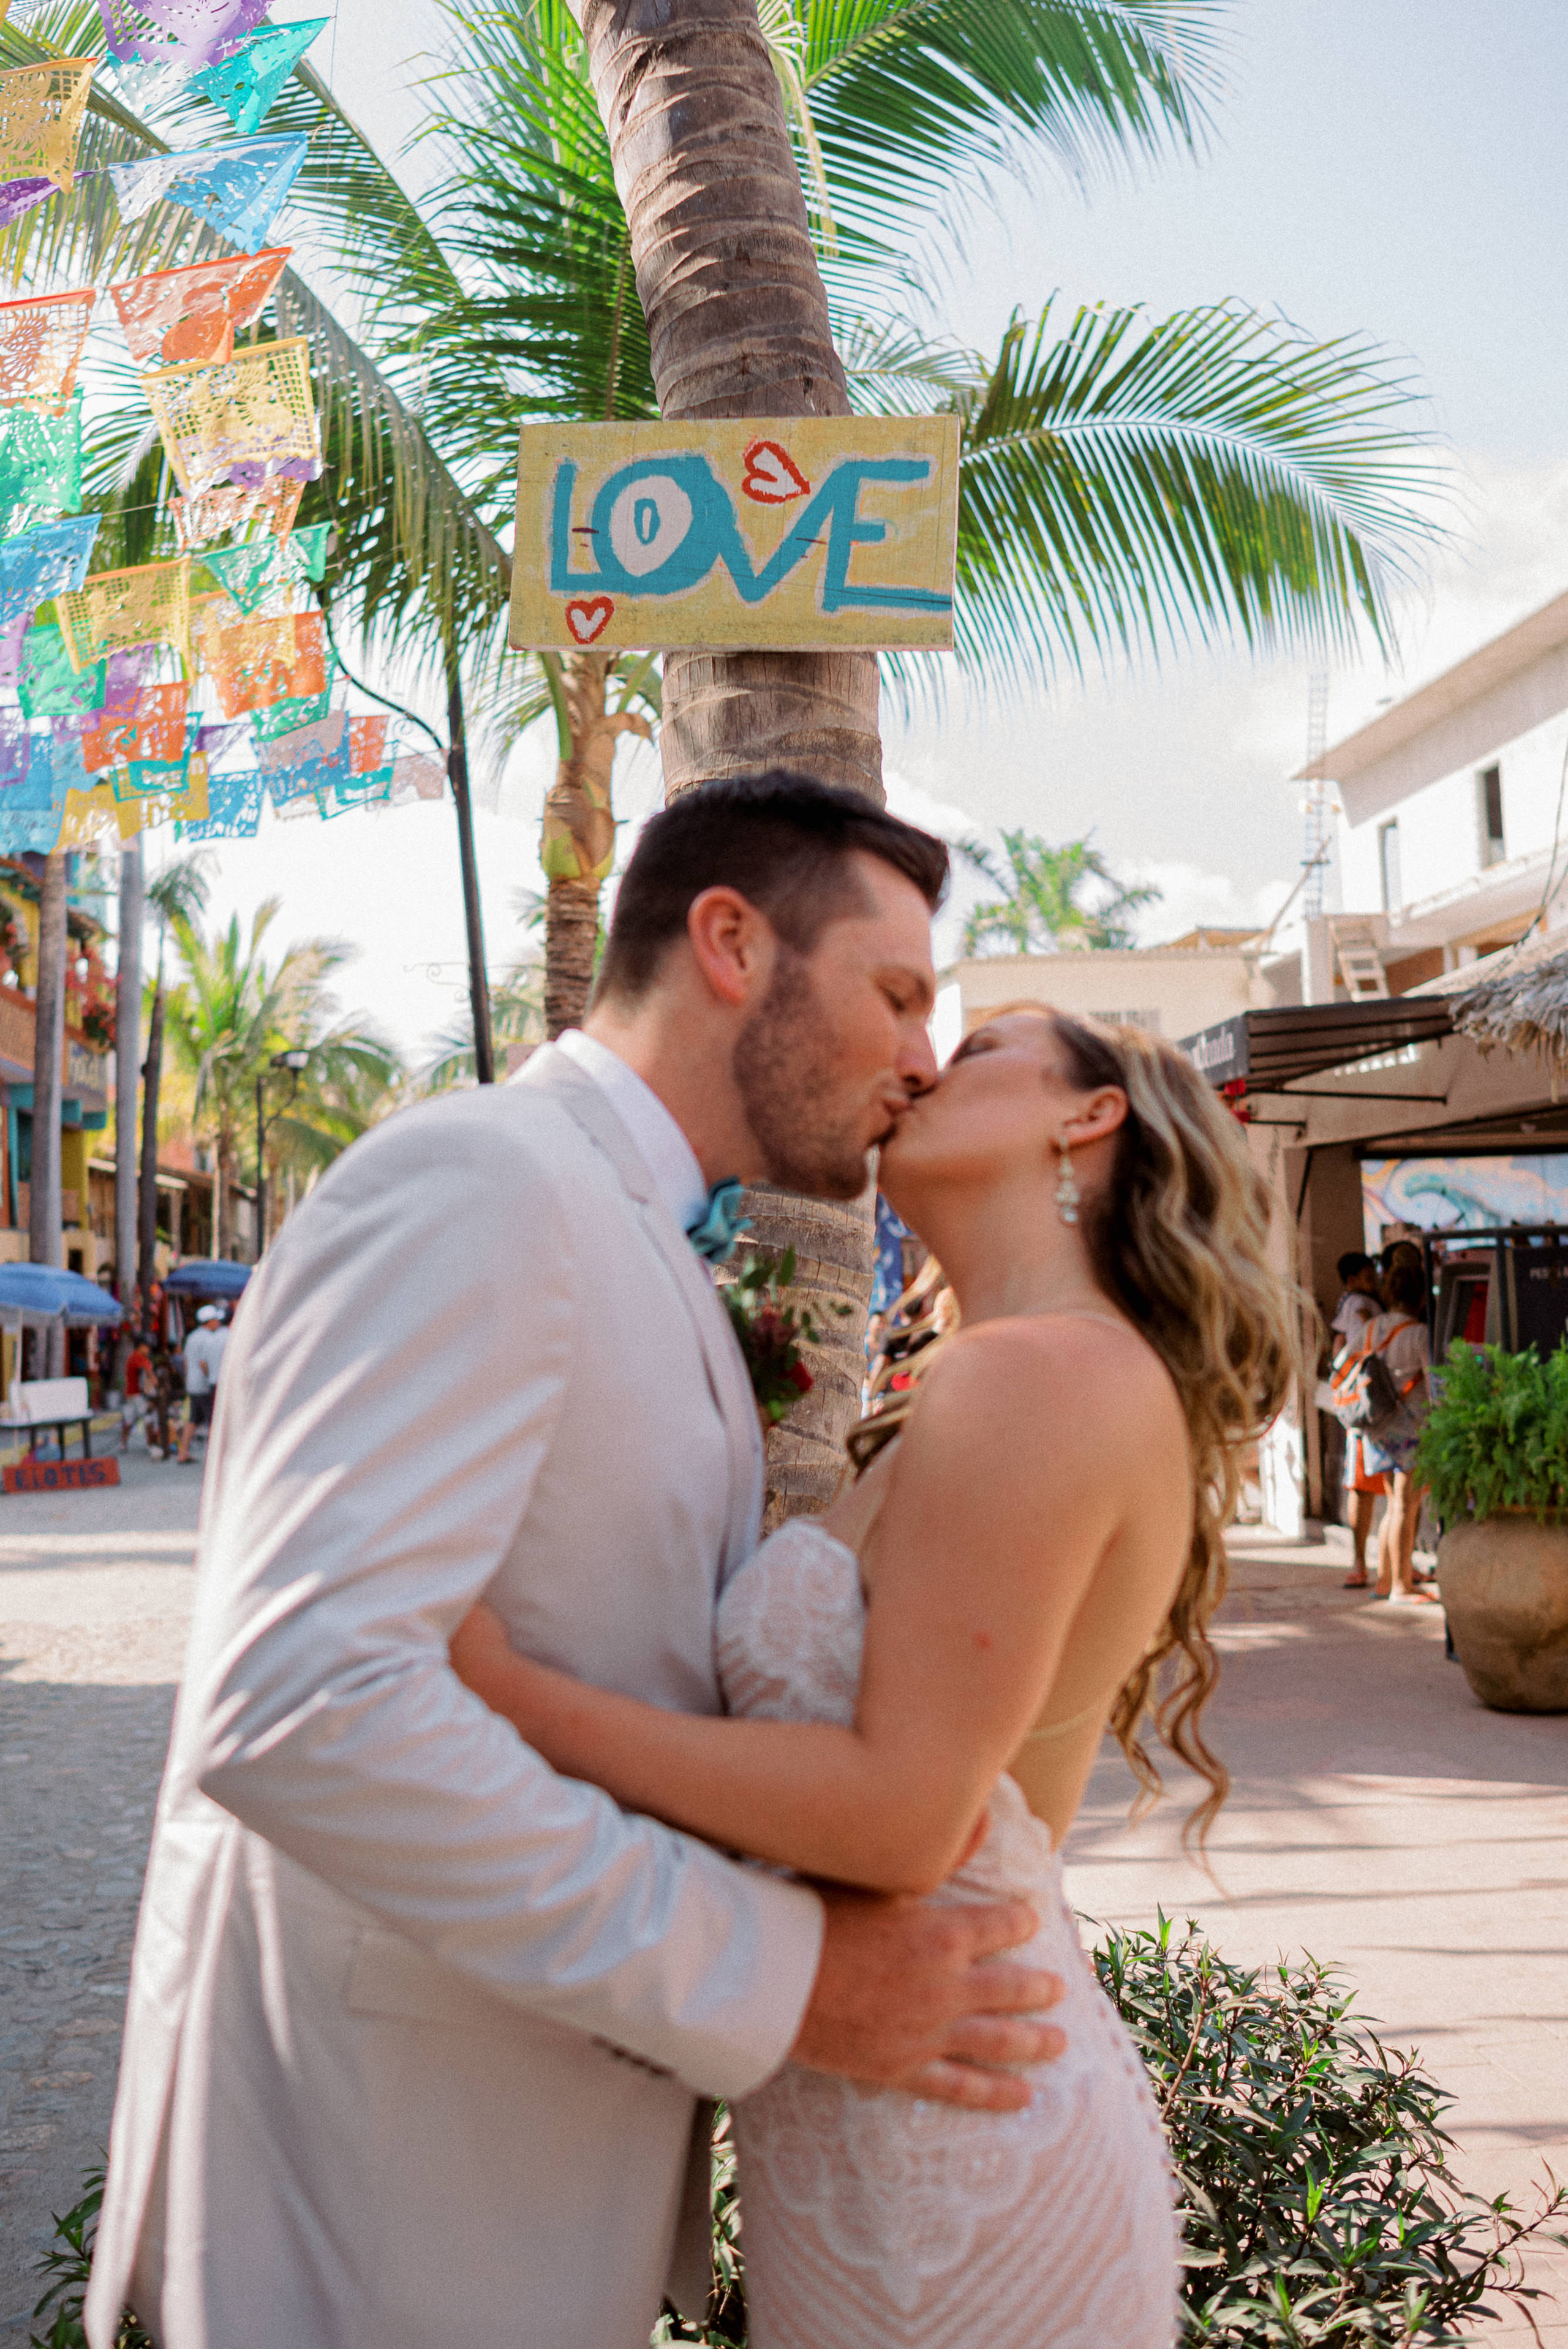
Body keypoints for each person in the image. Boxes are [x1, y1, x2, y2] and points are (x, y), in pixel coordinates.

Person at [86, 775, 1069, 2349]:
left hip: (512, 2169)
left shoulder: (633, 1225)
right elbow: (303, 1702)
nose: (920, 1056)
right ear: (731, 942)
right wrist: (786, 1977)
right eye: (894, 992)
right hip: (388, 2189)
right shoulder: (484, 1181)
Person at [451, 1001, 1298, 2349]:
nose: (914, 1067)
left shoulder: (1036, 1375)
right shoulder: (1019, 1373)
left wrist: (506, 1694)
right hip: (890, 2118)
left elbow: (907, 1816)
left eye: (968, 1054)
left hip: (948, 2158)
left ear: (1087, 1118)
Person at [1361, 1259, 1434, 1603]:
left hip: (1377, 1426)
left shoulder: (1372, 1328)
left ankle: (1385, 1579)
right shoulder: (1419, 1333)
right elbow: (1436, 1384)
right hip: (1411, 1428)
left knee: (1393, 1505)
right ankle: (1401, 1586)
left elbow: (1345, 1360)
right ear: (1421, 1297)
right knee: (1407, 1505)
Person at [1332, 1252, 1387, 1589]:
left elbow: (1341, 1344)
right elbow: (1359, 1342)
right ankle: (1363, 1562)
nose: (1374, 1280)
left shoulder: (1350, 1302)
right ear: (1352, 1279)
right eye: (1367, 1275)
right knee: (1369, 1487)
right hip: (1371, 1400)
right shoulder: (1360, 1304)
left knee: (1363, 1486)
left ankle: (1362, 1562)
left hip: (1360, 1402)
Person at [175, 1305, 225, 1465]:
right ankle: (214, 1456)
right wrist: (211, 1377)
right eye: (216, 1320)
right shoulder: (208, 1338)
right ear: (209, 1321)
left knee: (194, 1420)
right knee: (212, 1420)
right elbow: (204, 1363)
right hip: (204, 1385)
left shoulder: (191, 1337)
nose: (218, 1323)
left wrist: (187, 1379)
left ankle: (183, 1452)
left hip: (192, 1384)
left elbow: (186, 1361)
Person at [119, 1332, 153, 1454]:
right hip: (139, 1395)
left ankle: (123, 1443)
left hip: (130, 1394)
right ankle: (150, 1444)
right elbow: (149, 1375)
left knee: (129, 1421)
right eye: (147, 1346)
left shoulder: (132, 1357)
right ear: (141, 1346)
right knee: (148, 1419)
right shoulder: (140, 1358)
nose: (148, 1349)